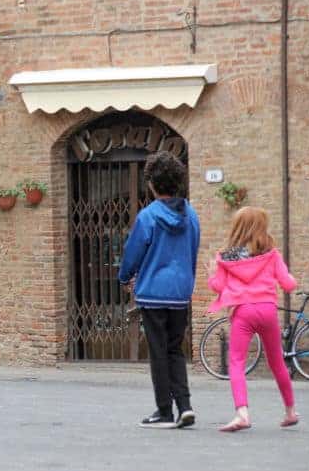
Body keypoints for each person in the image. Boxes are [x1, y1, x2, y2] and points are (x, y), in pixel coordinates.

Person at [118, 151, 200, 429]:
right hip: (180, 292)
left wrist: (125, 277)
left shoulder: (148, 216)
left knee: (158, 351)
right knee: (175, 349)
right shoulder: (191, 215)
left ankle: (165, 410)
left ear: (152, 183)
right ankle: (185, 406)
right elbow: (193, 251)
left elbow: (133, 252)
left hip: (153, 292)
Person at [206, 206, 299, 432]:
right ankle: (290, 411)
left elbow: (218, 287)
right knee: (277, 363)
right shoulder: (272, 254)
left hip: (243, 311)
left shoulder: (225, 257)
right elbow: (288, 285)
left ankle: (242, 413)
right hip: (267, 309)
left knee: (237, 362)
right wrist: (291, 278)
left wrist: (211, 273)